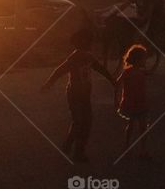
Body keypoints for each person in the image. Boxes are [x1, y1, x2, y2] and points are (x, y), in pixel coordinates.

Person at [41, 28, 115, 162]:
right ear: (82, 42)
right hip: (74, 94)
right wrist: (48, 83)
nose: (91, 44)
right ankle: (73, 149)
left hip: (84, 94)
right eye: (89, 41)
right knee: (81, 122)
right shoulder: (75, 57)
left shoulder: (88, 56)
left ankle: (74, 149)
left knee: (84, 122)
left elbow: (100, 69)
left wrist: (112, 80)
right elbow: (60, 70)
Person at [115, 44, 150, 159]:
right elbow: (118, 83)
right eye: (144, 58)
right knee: (139, 126)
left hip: (138, 102)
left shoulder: (136, 72)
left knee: (138, 125)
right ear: (138, 59)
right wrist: (116, 99)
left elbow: (117, 84)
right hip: (135, 102)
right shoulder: (129, 72)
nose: (145, 60)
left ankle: (138, 148)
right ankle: (135, 147)